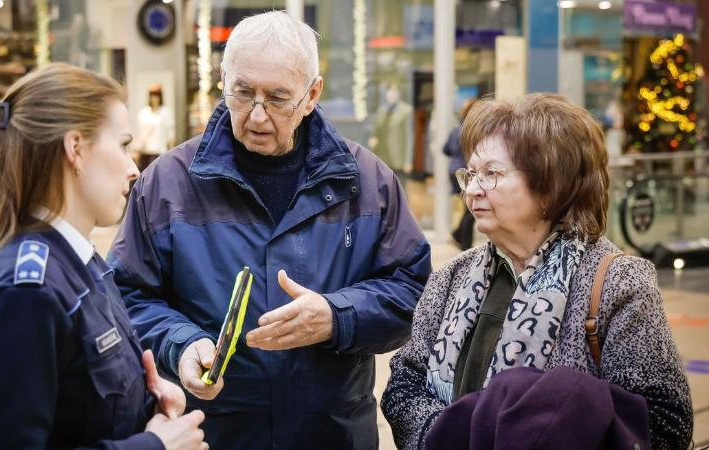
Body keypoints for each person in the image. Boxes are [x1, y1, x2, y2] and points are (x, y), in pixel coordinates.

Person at [107, 11, 432, 450]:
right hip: (213, 433)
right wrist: (181, 345)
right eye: (243, 93)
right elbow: (126, 297)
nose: (257, 116)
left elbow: (412, 292)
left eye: (278, 98)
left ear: (312, 93)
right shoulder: (167, 184)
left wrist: (337, 317)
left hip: (331, 434)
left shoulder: (367, 182)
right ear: (223, 80)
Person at [381, 93, 692, 450]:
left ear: (551, 187)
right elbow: (405, 383)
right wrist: (444, 436)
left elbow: (667, 423)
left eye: (492, 174)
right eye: (471, 174)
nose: (472, 191)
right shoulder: (452, 276)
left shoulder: (618, 283)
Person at [0, 63, 207, 450]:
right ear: (76, 149)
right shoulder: (26, 294)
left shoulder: (82, 264)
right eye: (123, 144)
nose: (134, 168)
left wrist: (147, 405)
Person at [443, 98, 475, 250]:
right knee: (471, 208)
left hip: (453, 170)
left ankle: (458, 235)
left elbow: (445, 149)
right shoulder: (472, 131)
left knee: (468, 206)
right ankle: (463, 241)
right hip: (464, 172)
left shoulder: (456, 129)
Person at [136, 83, 175, 171]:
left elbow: (170, 136)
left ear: (160, 97)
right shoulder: (144, 113)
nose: (154, 98)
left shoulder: (166, 112)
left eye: (157, 96)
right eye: (152, 95)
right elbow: (141, 135)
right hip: (145, 154)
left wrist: (171, 155)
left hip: (160, 153)